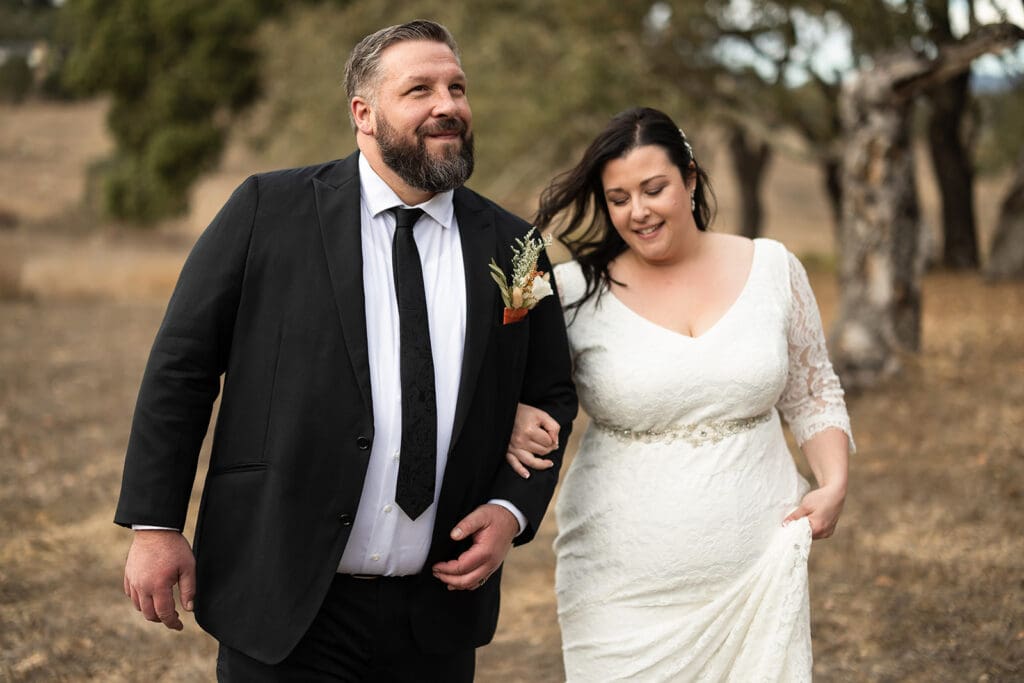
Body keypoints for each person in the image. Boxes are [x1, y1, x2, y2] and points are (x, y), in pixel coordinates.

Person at [115, 20, 576, 682]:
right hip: (285, 597)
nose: (447, 105)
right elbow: (180, 371)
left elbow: (551, 392)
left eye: (457, 87)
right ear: (363, 113)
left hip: (436, 613)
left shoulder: (518, 248)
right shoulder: (265, 210)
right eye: (419, 89)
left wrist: (510, 510)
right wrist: (154, 524)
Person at [506, 107, 853, 681]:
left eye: (653, 189)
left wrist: (834, 482)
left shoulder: (772, 267)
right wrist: (514, 412)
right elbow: (517, 388)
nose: (637, 211)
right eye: (618, 198)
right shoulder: (570, 292)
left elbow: (813, 390)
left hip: (757, 572)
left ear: (690, 179)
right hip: (620, 590)